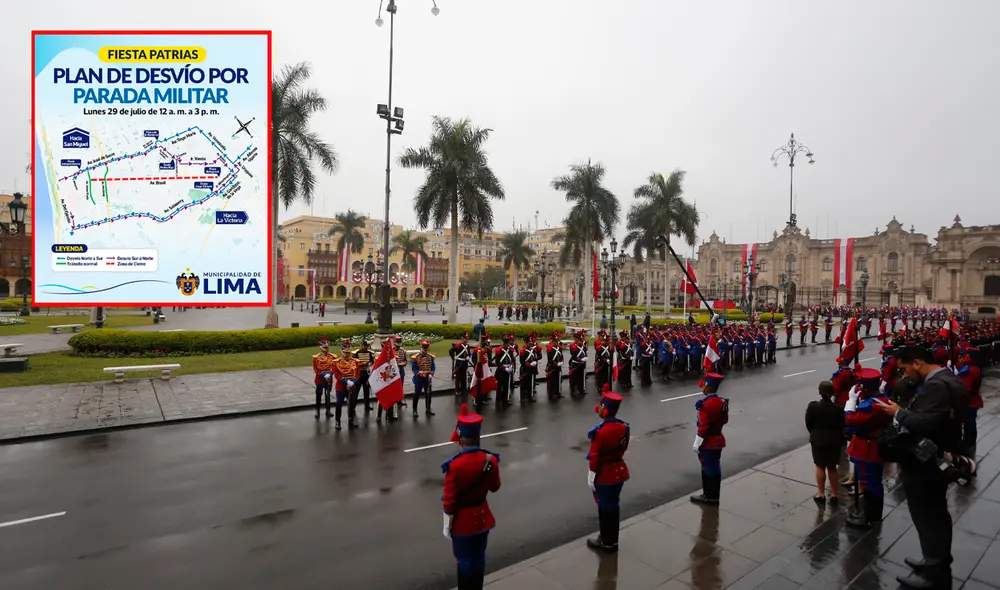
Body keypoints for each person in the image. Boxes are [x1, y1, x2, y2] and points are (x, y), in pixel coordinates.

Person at [878, 345, 969, 589]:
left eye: (905, 369)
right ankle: (933, 562)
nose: (905, 375)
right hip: (934, 461)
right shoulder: (948, 378)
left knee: (929, 518)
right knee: (935, 516)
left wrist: (899, 413)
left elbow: (925, 423)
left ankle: (935, 574)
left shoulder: (936, 386)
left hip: (925, 465)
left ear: (917, 362)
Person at [442, 404, 501, 590]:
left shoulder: (455, 466)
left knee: (464, 560)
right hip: (482, 518)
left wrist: (446, 524)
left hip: (463, 523)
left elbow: (449, 502)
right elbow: (495, 487)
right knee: (479, 558)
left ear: (461, 439)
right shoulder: (490, 460)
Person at [843, 368, 891, 529]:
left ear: (865, 387)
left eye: (860, 386)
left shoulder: (872, 406)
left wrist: (850, 402)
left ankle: (869, 517)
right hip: (872, 446)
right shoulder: (881, 399)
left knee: (868, 482)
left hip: (868, 448)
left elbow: (851, 419)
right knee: (872, 481)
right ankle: (871, 514)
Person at [586, 384, 630, 553]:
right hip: (619, 470)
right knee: (614, 506)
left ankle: (607, 542)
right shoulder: (623, 427)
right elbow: (624, 447)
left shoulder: (600, 432)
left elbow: (595, 456)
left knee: (605, 508)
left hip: (605, 474)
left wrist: (591, 475)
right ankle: (612, 539)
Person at [691, 373, 729, 505]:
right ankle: (714, 495)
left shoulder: (705, 405)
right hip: (718, 439)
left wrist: (697, 443)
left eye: (704, 386)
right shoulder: (722, 402)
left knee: (707, 468)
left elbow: (703, 427)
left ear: (708, 388)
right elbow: (725, 420)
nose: (702, 388)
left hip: (708, 442)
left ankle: (709, 496)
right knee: (715, 468)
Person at [806, 381, 844, 505]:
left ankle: (821, 494)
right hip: (834, 439)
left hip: (818, 438)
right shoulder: (838, 409)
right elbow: (842, 425)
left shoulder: (813, 407)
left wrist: (815, 432)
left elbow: (809, 423)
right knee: (832, 468)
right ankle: (834, 494)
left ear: (820, 392)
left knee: (820, 466)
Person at [332, 340, 363, 430]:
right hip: (341, 386)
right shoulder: (336, 362)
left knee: (352, 404)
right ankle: (338, 421)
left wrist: (353, 381)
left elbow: (358, 373)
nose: (347, 354)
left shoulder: (355, 361)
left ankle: (351, 420)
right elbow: (336, 374)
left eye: (348, 352)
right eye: (345, 352)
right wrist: (346, 382)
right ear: (342, 352)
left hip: (352, 385)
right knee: (339, 403)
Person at [410, 340, 437, 418]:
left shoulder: (430, 357)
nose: (425, 351)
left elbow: (433, 367)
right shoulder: (416, 357)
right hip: (419, 379)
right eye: (423, 349)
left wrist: (431, 374)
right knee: (416, 394)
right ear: (421, 348)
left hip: (427, 379)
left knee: (428, 394)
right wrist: (420, 373)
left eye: (426, 350)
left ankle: (428, 409)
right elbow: (414, 369)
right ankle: (414, 410)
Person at [312, 336, 336, 419]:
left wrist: (330, 374)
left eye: (327, 347)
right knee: (319, 394)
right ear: (321, 348)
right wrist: (323, 375)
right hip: (320, 379)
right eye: (324, 347)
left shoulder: (333, 357)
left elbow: (335, 367)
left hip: (329, 379)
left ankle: (328, 410)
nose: (326, 349)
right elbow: (316, 369)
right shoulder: (316, 357)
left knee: (328, 395)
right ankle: (317, 410)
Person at [491, 333, 514, 409]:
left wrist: (511, 366)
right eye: (506, 344)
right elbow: (498, 362)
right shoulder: (499, 351)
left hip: (508, 370)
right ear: (504, 343)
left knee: (506, 386)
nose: (508, 345)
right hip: (501, 371)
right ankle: (498, 400)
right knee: (499, 386)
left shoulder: (510, 350)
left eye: (508, 344)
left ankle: (505, 400)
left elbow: (512, 359)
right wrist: (504, 368)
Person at [355, 340, 375, 413]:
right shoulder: (357, 353)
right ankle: (353, 406)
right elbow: (354, 362)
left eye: (366, 346)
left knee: (366, 390)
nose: (365, 347)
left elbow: (372, 361)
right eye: (363, 345)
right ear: (361, 345)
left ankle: (367, 405)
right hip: (359, 373)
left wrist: (369, 363)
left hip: (366, 373)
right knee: (356, 390)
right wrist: (361, 364)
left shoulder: (369, 353)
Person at [450, 332, 472, 398]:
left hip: (465, 363)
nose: (467, 339)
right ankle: (457, 390)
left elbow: (468, 353)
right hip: (459, 363)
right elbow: (451, 351)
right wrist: (453, 357)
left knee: (464, 376)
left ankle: (463, 389)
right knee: (458, 377)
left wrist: (468, 356)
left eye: (467, 338)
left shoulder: (467, 346)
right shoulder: (458, 345)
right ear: (462, 338)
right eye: (465, 338)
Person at [545, 331, 564, 400]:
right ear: (553, 342)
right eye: (555, 341)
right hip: (552, 367)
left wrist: (562, 361)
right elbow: (550, 359)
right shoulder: (550, 349)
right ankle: (551, 394)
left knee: (558, 380)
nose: (557, 343)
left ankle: (557, 392)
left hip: (558, 367)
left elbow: (561, 356)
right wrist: (556, 364)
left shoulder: (559, 348)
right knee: (552, 381)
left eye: (557, 341)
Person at [569, 330, 588, 398]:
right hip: (575, 364)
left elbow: (585, 353)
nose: (581, 341)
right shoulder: (573, 346)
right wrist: (580, 359)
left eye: (582, 340)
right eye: (580, 340)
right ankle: (573, 390)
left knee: (581, 378)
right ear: (577, 340)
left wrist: (585, 357)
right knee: (574, 378)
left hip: (581, 364)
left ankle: (581, 390)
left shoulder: (583, 346)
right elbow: (573, 356)